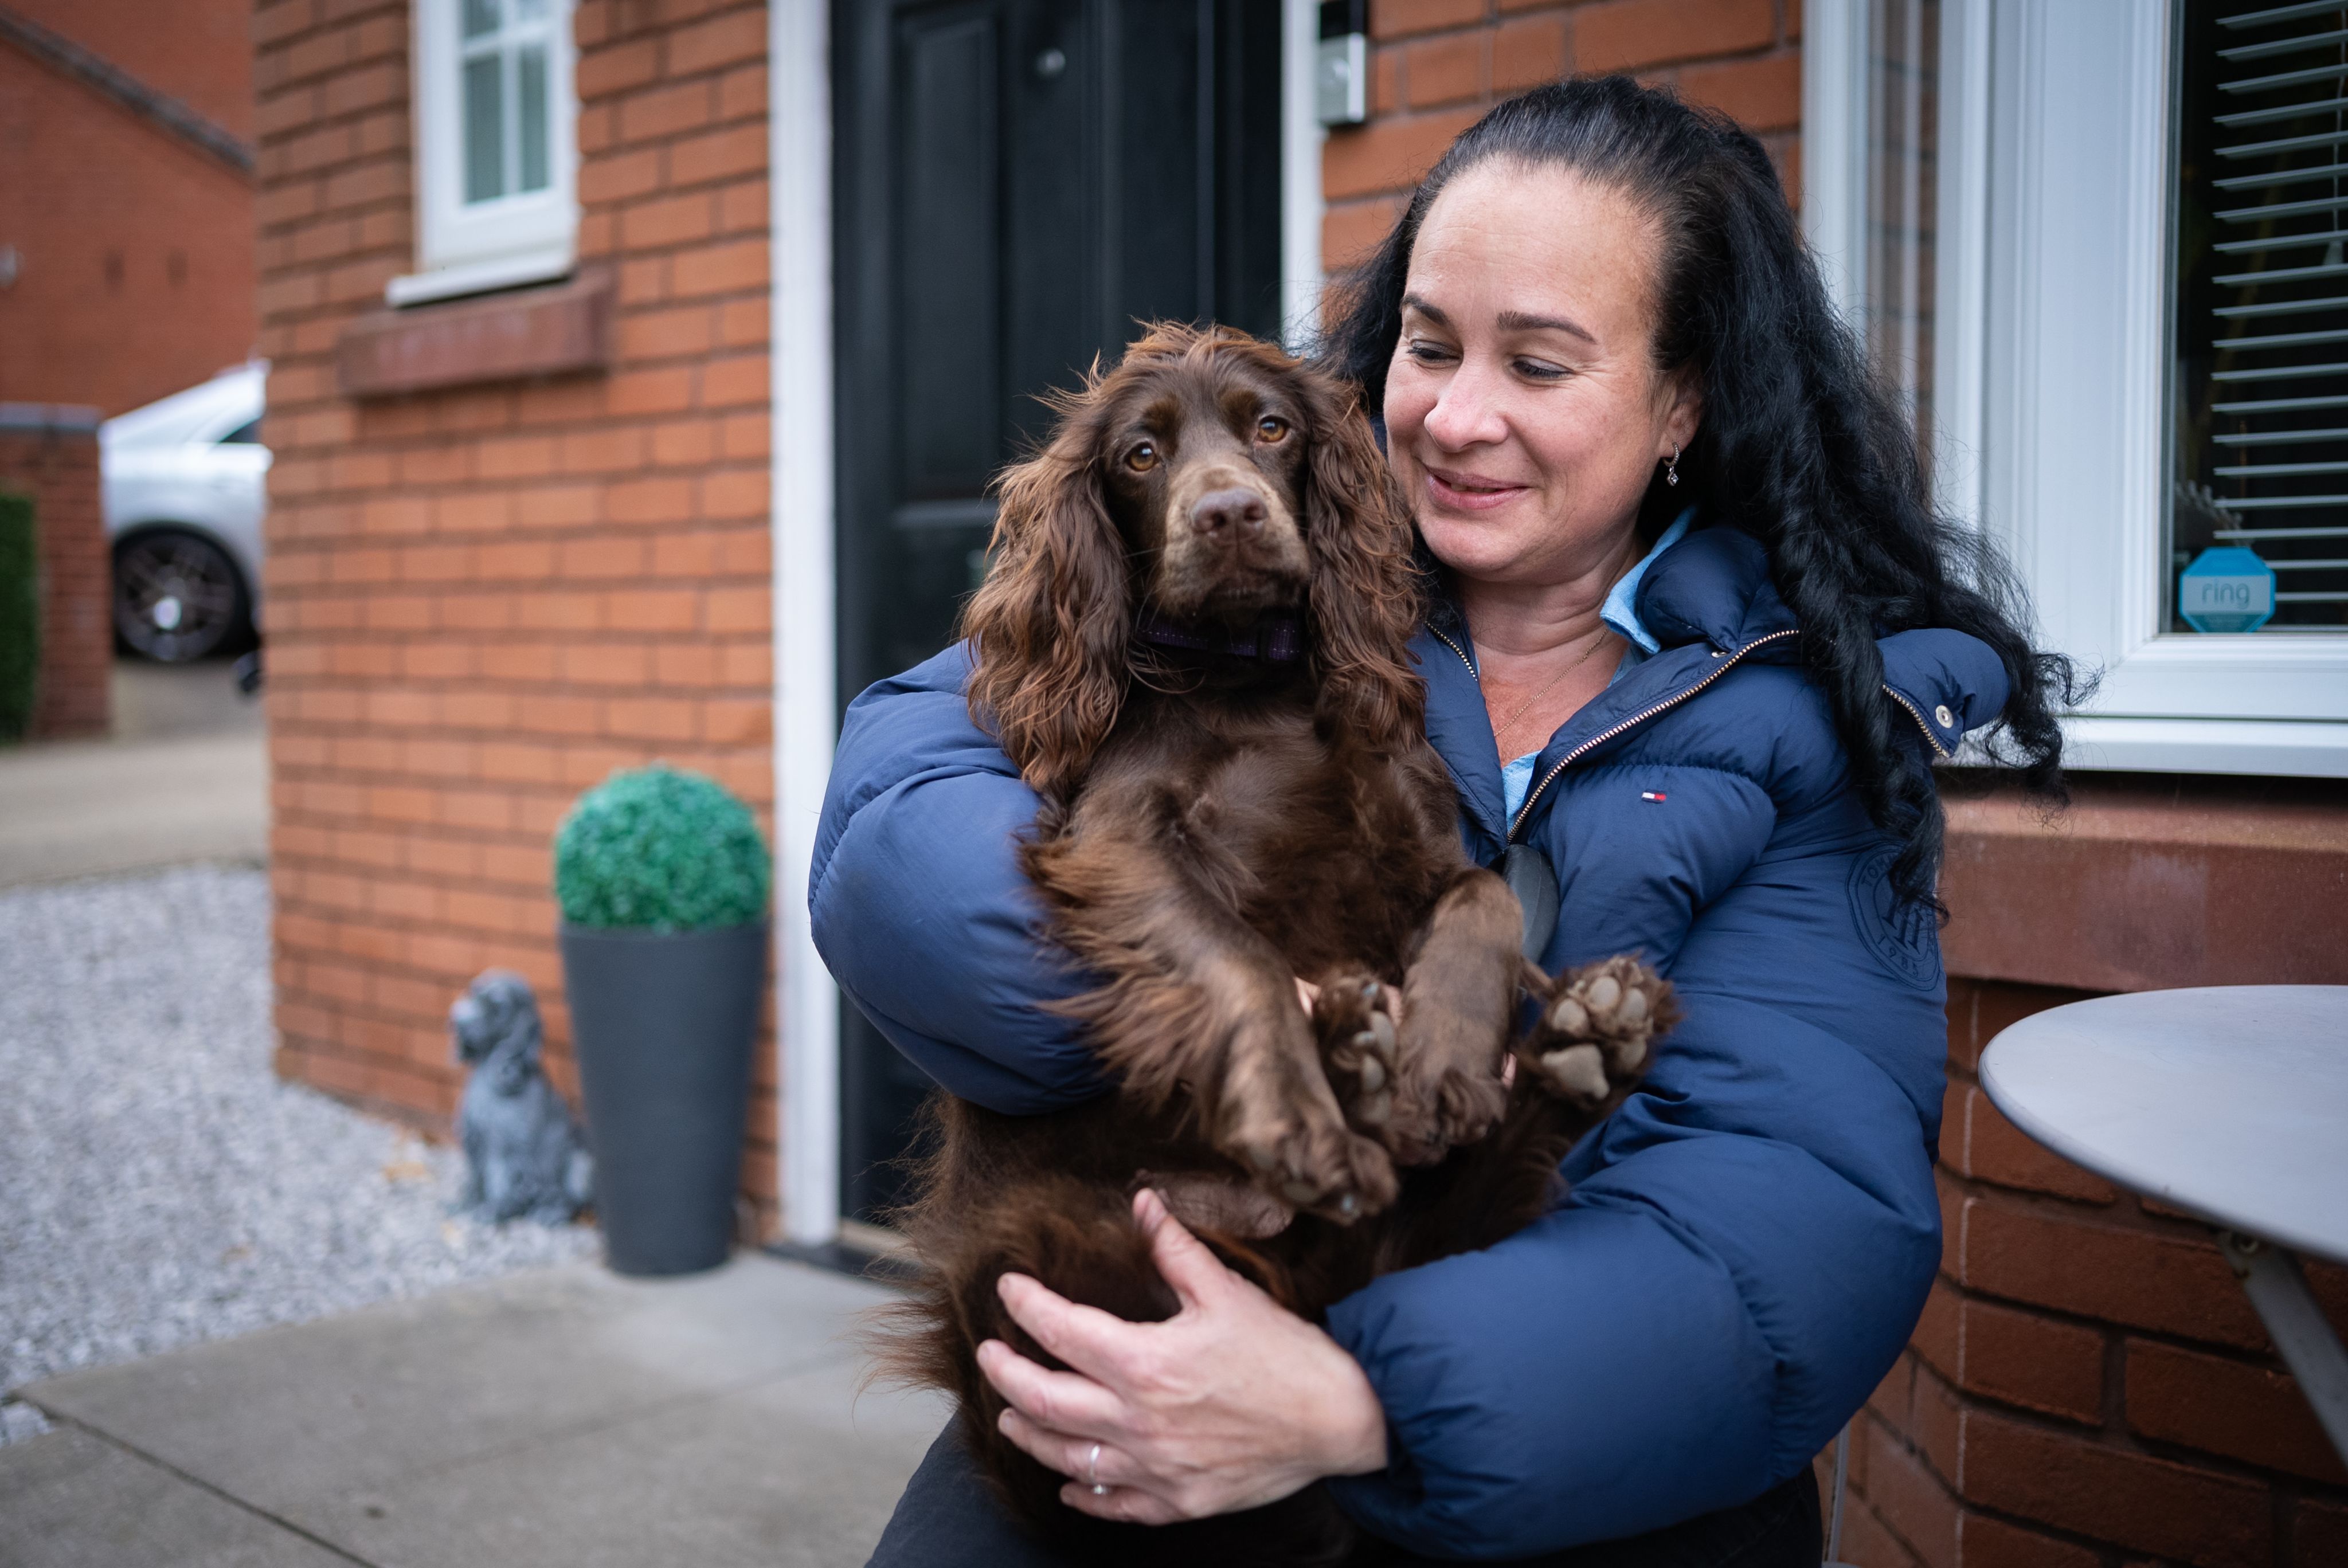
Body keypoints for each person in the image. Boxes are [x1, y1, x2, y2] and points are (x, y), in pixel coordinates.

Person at [815, 77, 2076, 1566]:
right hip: (1128, 1340)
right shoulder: (1271, 597)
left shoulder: (1817, 727)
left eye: (1538, 364)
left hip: (1540, 1444)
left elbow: (1787, 1225)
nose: (1457, 418)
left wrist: (1350, 1404)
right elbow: (899, 810)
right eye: (1428, 346)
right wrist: (1230, 1015)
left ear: (1685, 400)